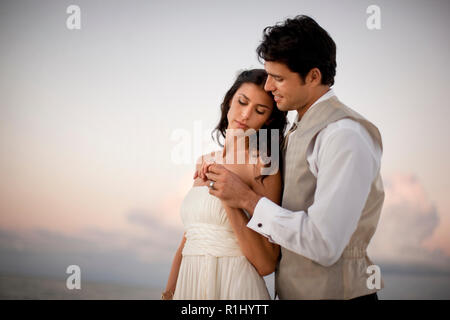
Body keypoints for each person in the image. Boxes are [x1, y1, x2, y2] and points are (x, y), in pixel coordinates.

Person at [203, 15, 385, 300]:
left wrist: (246, 200)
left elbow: (324, 244)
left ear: (313, 76)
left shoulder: (344, 134)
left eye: (278, 78)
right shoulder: (296, 131)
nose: (268, 87)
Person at [162, 69, 288, 300]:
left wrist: (227, 196)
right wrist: (169, 292)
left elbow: (267, 263)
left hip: (235, 287)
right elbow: (190, 237)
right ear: (230, 100)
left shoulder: (264, 166)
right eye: (242, 102)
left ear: (268, 120)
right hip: (190, 287)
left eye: (259, 110)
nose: (246, 114)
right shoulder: (204, 161)